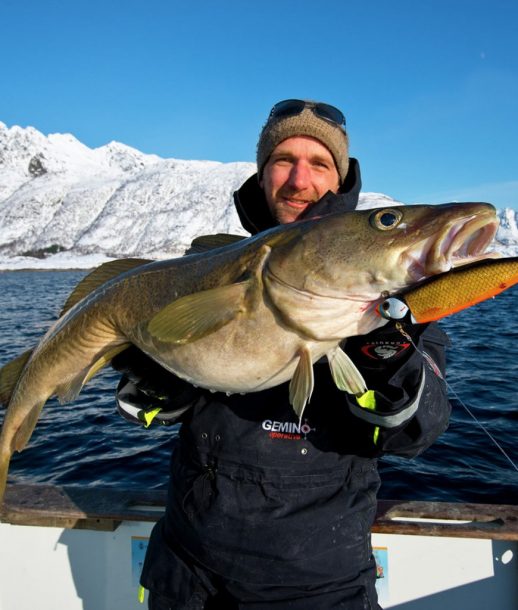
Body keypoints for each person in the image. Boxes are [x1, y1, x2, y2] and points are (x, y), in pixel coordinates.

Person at [113, 99, 451, 610]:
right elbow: (145, 410)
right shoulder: (206, 267)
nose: (299, 179)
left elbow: (417, 431)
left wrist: (388, 363)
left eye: (319, 164)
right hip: (184, 574)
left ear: (339, 180)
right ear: (262, 173)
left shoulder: (400, 294)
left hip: (318, 586)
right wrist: (155, 372)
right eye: (282, 160)